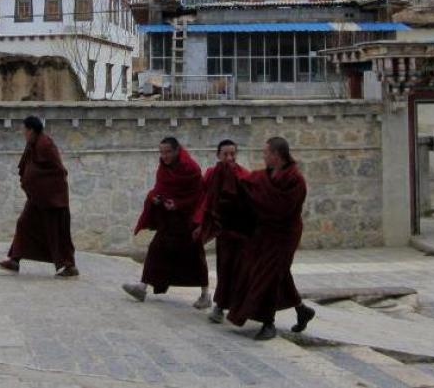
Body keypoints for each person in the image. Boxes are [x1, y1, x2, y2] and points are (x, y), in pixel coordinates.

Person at [226, 137, 316, 340]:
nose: (263, 156)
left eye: (266, 153)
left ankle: (268, 322)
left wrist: (258, 202)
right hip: (264, 233)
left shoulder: (295, 180)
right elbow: (247, 183)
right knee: (278, 274)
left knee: (269, 275)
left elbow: (280, 209)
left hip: (284, 234)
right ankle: (302, 310)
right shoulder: (265, 175)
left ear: (276, 155)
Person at [123, 137, 210, 308]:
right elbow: (161, 188)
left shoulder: (190, 168)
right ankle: (142, 287)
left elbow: (198, 195)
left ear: (177, 150)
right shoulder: (164, 167)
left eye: (168, 152)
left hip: (187, 220)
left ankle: (205, 295)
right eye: (161, 152)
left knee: (195, 257)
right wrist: (155, 198)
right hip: (169, 220)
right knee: (156, 249)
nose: (164, 156)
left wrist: (178, 204)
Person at [0, 116, 79, 277]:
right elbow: (29, 166)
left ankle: (69, 266)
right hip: (38, 198)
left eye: (24, 130)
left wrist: (40, 183)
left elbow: (58, 171)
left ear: (31, 130)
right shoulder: (33, 144)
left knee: (57, 233)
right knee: (24, 224)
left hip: (53, 199)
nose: (23, 133)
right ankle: (14, 260)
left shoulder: (46, 145)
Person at [193, 139, 252, 324]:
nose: (229, 158)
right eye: (225, 154)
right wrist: (201, 224)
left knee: (241, 271)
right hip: (224, 231)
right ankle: (219, 307)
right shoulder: (212, 175)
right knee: (224, 269)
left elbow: (252, 201)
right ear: (218, 155)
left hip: (242, 231)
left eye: (232, 154)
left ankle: (239, 308)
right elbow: (207, 200)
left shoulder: (244, 175)